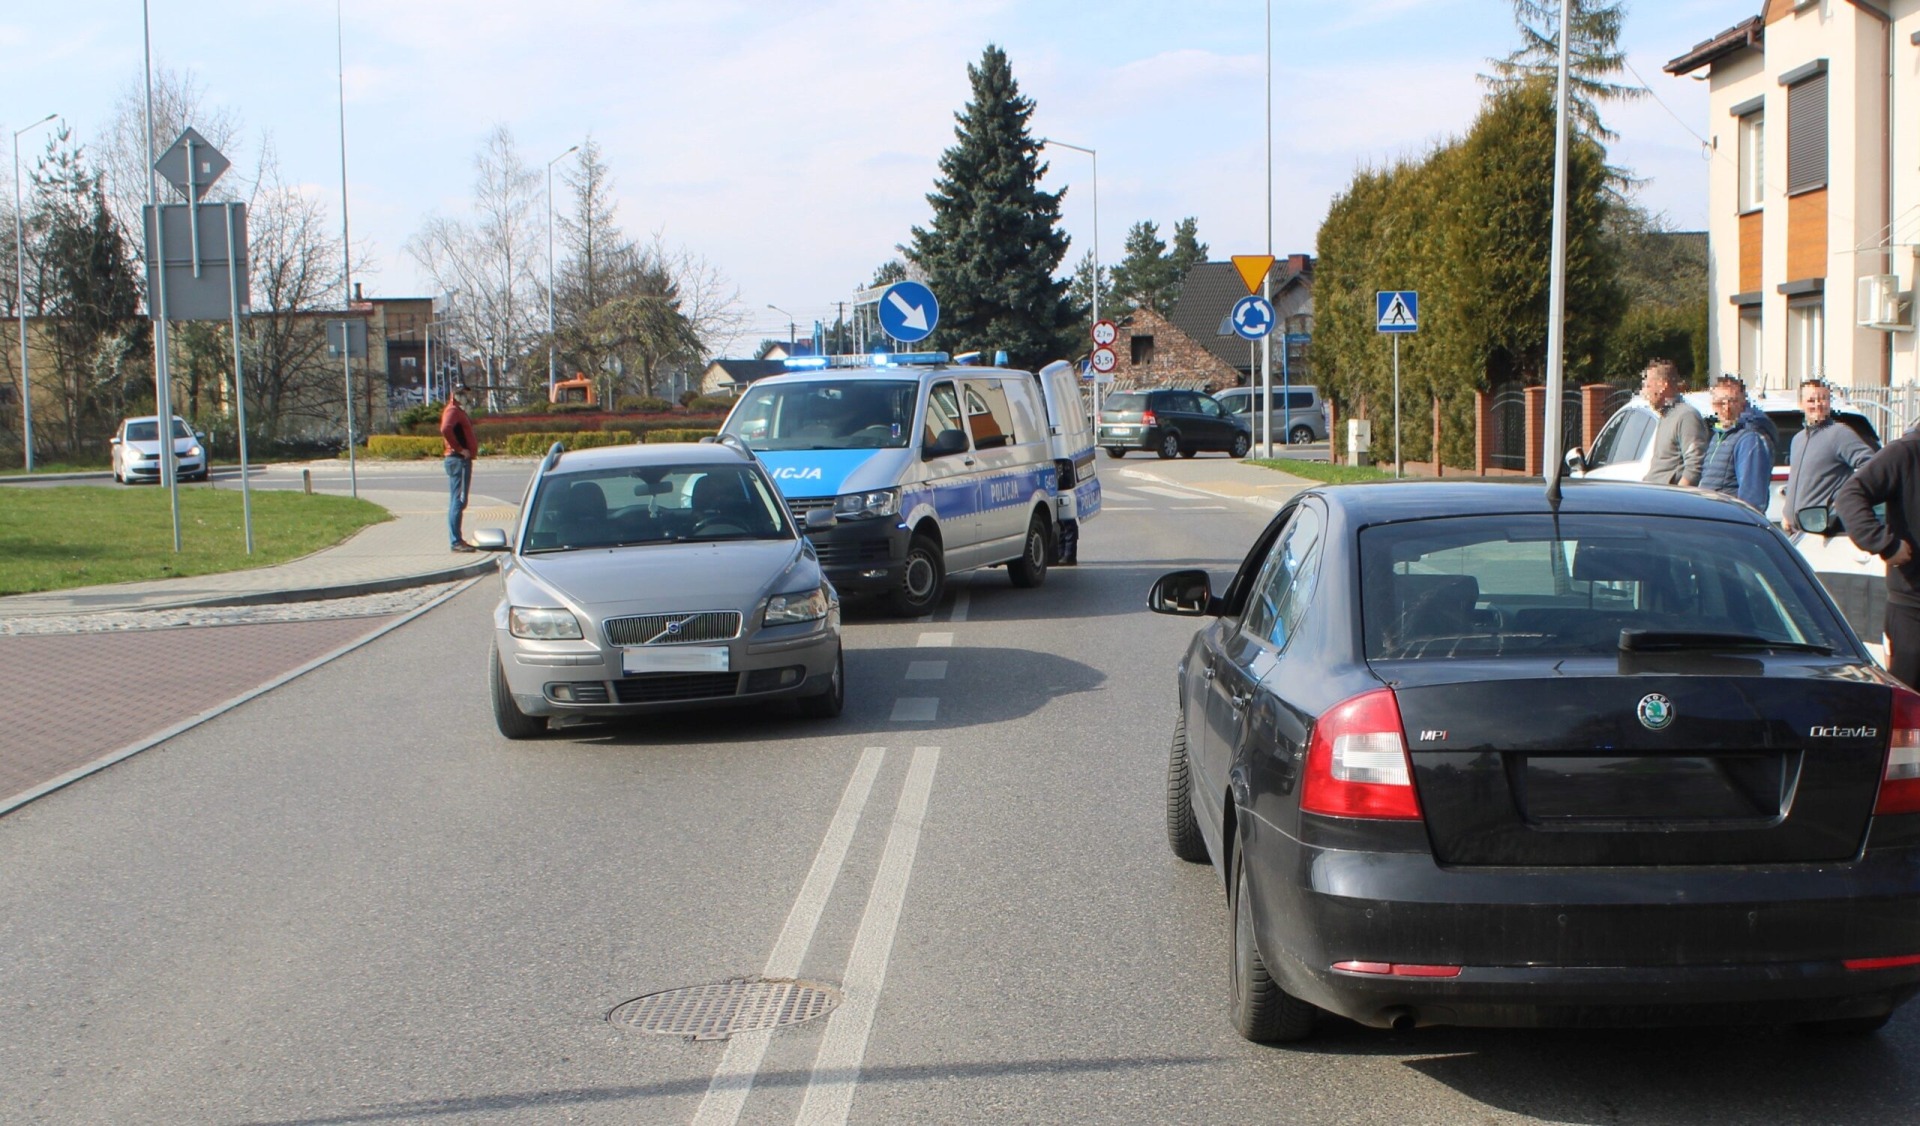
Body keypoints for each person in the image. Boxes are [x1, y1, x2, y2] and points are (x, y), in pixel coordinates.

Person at [1834, 431, 1920, 688]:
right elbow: (1850, 495)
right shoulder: (1907, 452)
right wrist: (1884, 543)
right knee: (1911, 716)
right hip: (1914, 609)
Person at [1782, 379, 1873, 533]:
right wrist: (1787, 513)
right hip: (1796, 532)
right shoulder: (1798, 439)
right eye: (1811, 400)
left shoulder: (1839, 433)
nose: (1817, 405)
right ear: (1801, 404)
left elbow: (1871, 466)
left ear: (1829, 402)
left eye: (1822, 399)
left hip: (1824, 530)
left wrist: (1843, 499)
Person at [1697, 374, 1778, 513]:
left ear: (1743, 403)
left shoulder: (1750, 439)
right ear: (1713, 405)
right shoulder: (1718, 436)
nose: (1726, 408)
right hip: (1710, 518)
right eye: (1720, 403)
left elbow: (1752, 499)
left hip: (1729, 521)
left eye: (1732, 401)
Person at [1640, 358, 1707, 487]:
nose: (1645, 392)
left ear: (1663, 385)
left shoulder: (1686, 416)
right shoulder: (1666, 416)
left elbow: (1694, 467)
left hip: (1668, 498)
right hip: (1652, 492)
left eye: (1648, 385)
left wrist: (1676, 498)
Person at [440, 384, 479, 551]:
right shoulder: (453, 411)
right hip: (458, 460)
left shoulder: (458, 410)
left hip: (458, 460)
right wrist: (460, 449)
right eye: (463, 394)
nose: (466, 397)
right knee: (459, 500)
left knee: (457, 500)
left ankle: (456, 540)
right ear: (456, 395)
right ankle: (456, 542)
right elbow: (445, 429)